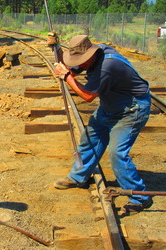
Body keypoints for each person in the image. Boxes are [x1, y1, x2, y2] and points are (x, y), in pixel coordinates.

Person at [50, 35, 153, 216]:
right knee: (90, 139)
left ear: (92, 54)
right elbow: (71, 70)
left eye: (81, 61)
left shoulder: (107, 65)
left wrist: (66, 76)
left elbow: (88, 96)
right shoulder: (91, 57)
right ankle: (78, 176)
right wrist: (56, 48)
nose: (80, 64)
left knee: (117, 153)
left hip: (132, 109)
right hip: (110, 105)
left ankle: (140, 196)